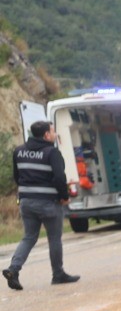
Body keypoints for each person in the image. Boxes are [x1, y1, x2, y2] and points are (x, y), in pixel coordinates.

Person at [4, 119, 79, 290]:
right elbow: (60, 178)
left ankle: (13, 269)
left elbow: (17, 176)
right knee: (54, 238)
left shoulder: (19, 151)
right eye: (53, 132)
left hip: (26, 202)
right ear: (46, 135)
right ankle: (58, 274)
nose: (55, 134)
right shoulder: (51, 152)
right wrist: (64, 196)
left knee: (29, 237)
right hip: (48, 203)